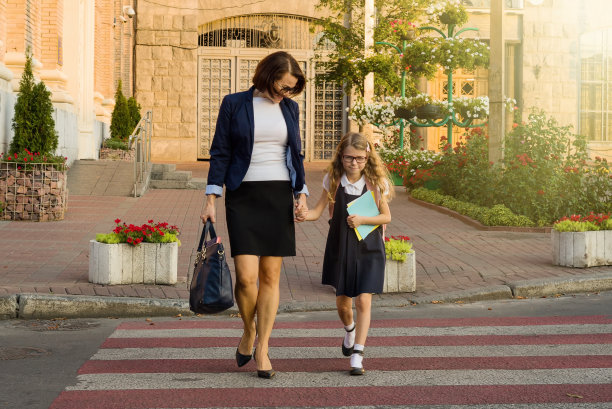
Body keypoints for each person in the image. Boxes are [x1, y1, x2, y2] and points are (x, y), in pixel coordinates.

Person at [200, 51, 308, 379]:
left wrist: (301, 193)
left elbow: (295, 153)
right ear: (267, 75)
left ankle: (262, 347)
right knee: (246, 278)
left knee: (271, 277)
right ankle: (248, 329)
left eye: (291, 88)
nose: (285, 93)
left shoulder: (290, 108)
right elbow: (220, 152)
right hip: (243, 195)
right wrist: (211, 198)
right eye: (282, 85)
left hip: (277, 195)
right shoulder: (234, 103)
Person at [305, 132, 393, 375]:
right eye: (349, 158)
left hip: (369, 245)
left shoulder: (376, 182)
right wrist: (302, 215)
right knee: (343, 304)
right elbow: (317, 211)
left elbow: (386, 217)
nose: (354, 163)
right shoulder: (333, 180)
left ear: (368, 158)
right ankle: (349, 330)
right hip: (341, 246)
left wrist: (363, 218)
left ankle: (358, 354)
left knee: (364, 299)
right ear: (341, 157)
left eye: (360, 158)